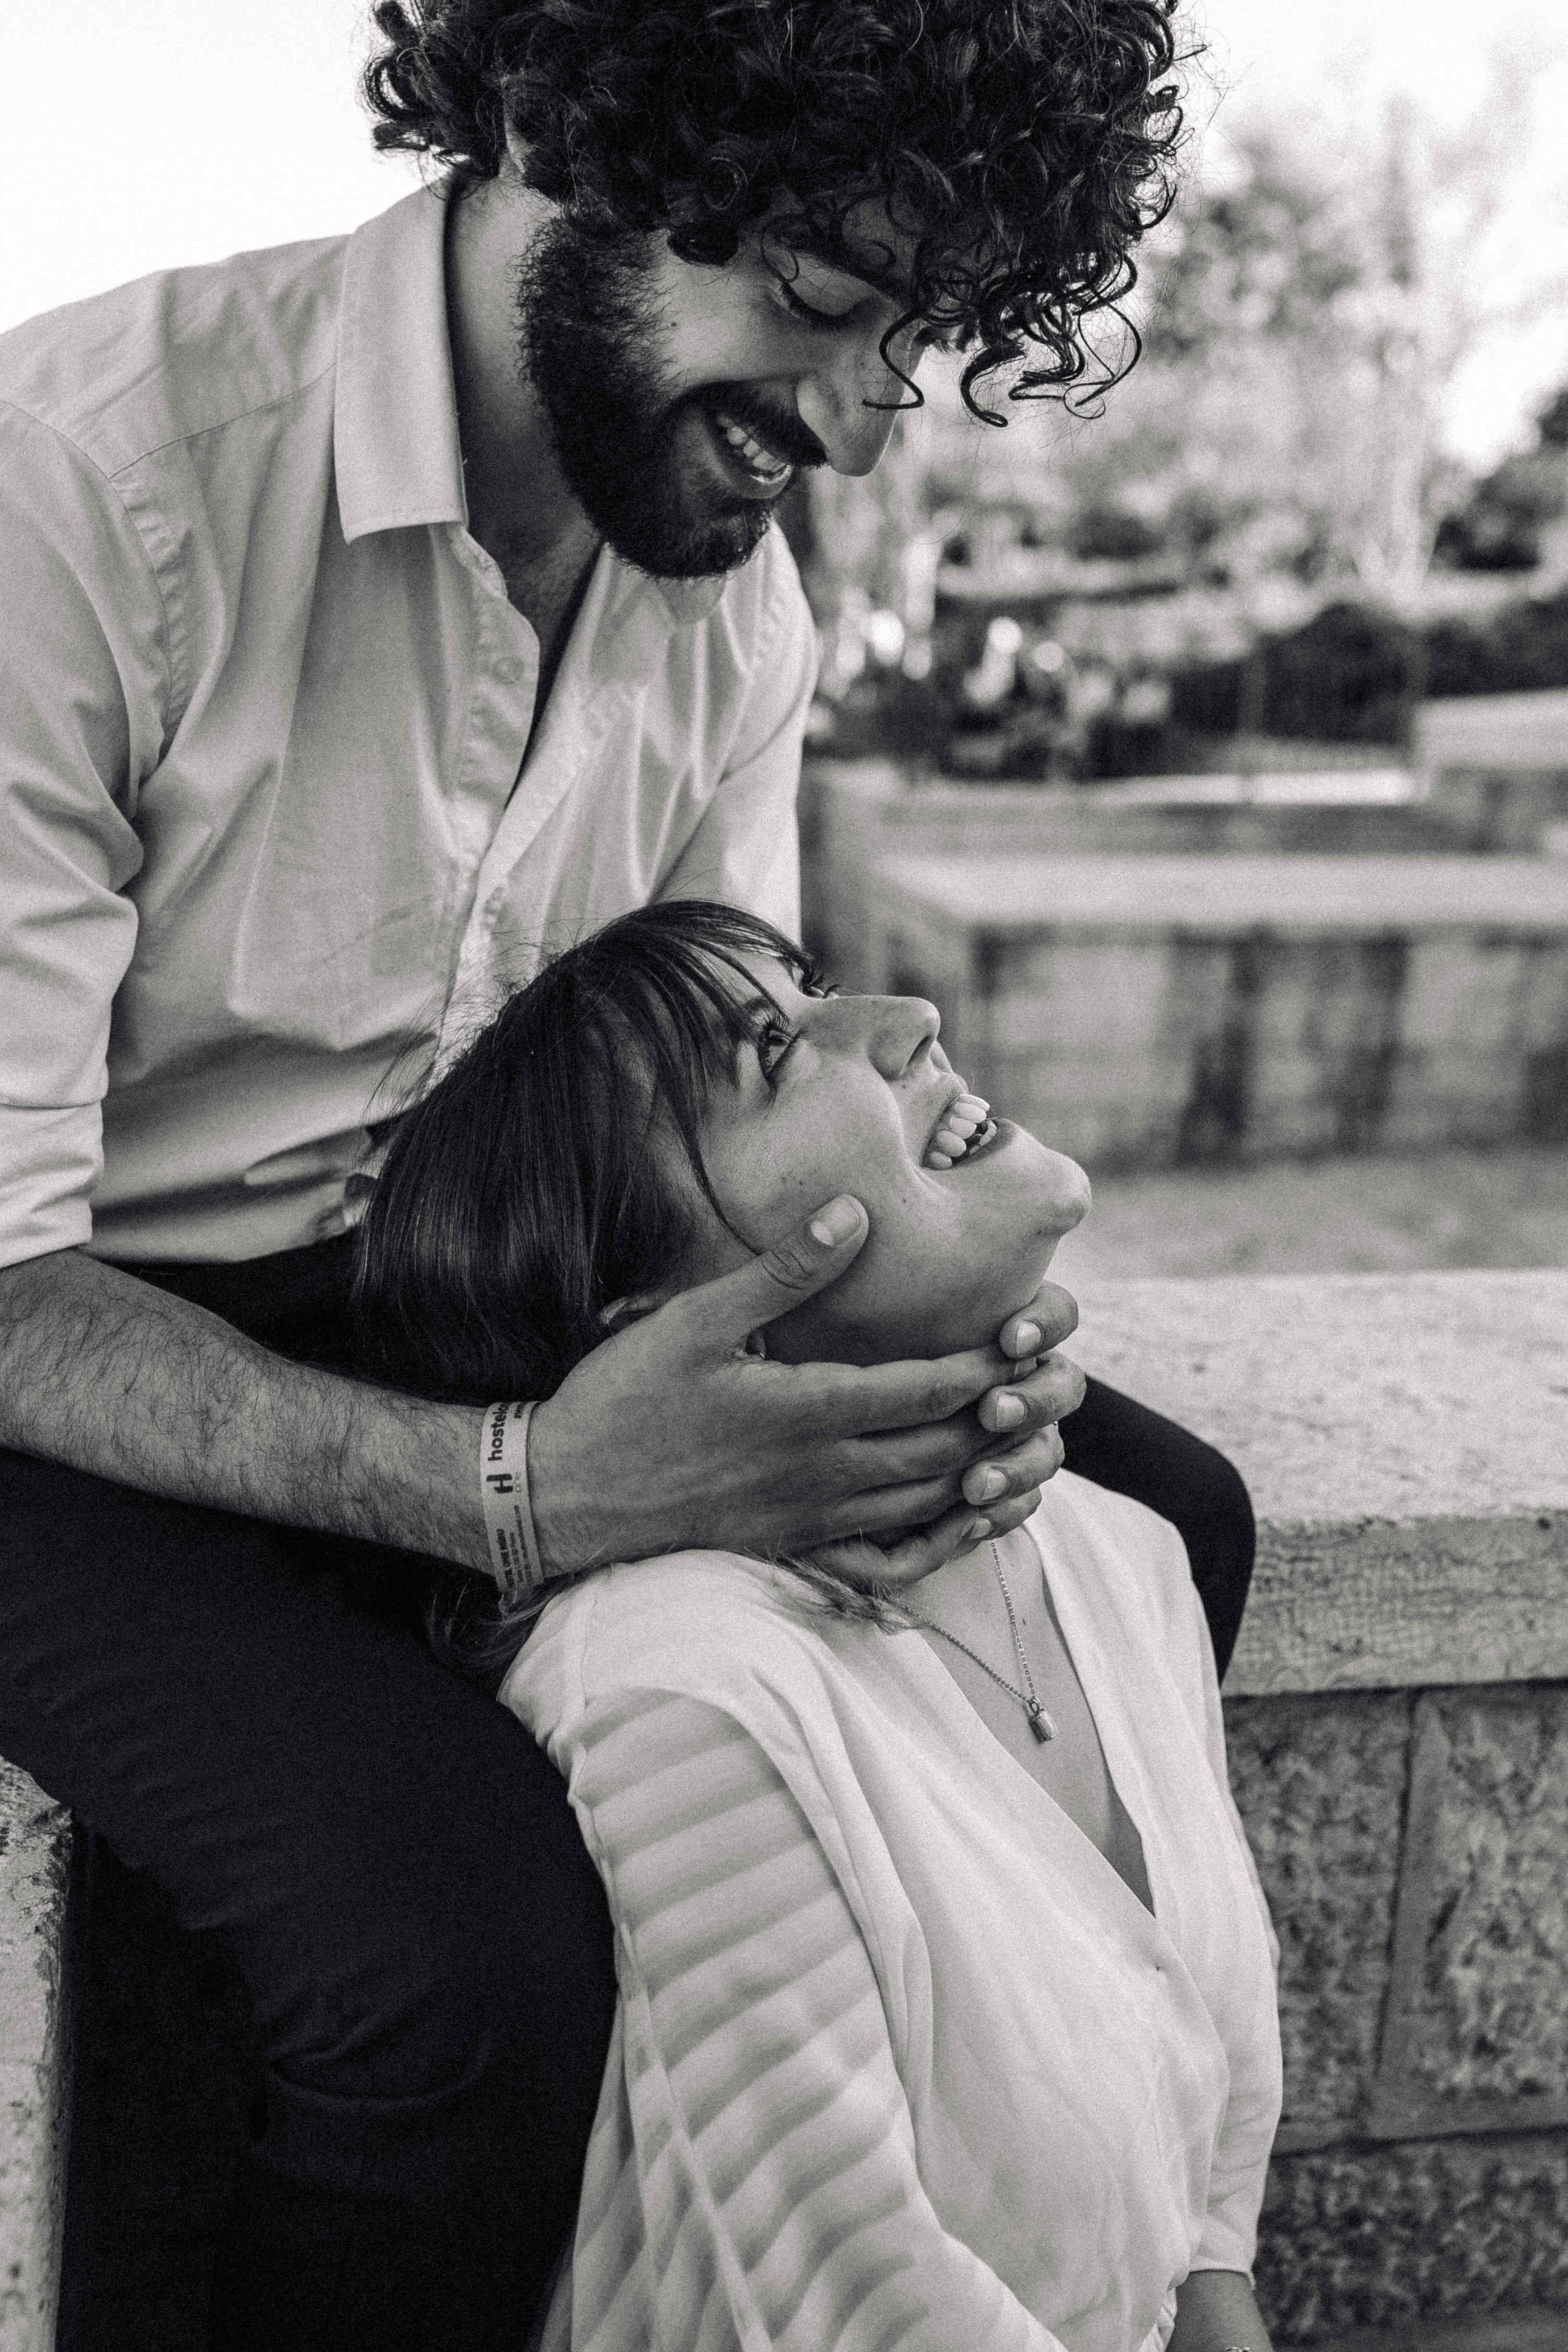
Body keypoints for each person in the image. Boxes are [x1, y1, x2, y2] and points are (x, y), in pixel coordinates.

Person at [0, 1, 1251, 2341]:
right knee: (448, 1952)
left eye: (925, 339)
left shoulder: (734, 612)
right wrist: (517, 1499)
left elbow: (719, 1101)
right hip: (57, 1349)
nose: (868, 421)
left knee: (1146, 1522)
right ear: (573, 128)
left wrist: (923, 1340)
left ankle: (1025, 2214)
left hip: (454, 1287)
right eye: (822, 301)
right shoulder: (84, 482)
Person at [352, 898, 1284, 2352]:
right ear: (657, 1325)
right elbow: (855, 2299)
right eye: (776, 1053)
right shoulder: (679, 1696)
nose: (905, 1020)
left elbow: (1203, 2217)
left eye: (819, 987)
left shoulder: (1122, 1557)